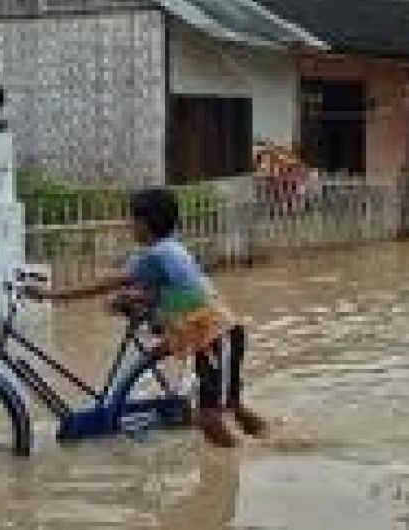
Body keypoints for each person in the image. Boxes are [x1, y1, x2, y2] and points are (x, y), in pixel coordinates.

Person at [28, 187, 266, 447]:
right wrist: (137, 301)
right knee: (231, 405)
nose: (130, 226)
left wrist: (53, 295)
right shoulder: (166, 250)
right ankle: (269, 440)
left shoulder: (156, 254)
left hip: (216, 337)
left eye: (133, 220)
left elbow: (108, 284)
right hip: (216, 335)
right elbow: (179, 294)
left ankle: (243, 461)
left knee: (208, 419)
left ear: (145, 223)